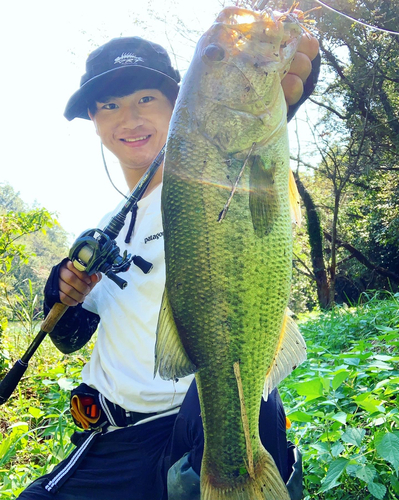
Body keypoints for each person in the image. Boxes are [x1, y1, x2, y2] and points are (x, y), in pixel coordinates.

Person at [18, 27, 320, 500]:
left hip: (197, 423)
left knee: (236, 419)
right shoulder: (106, 229)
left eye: (145, 98)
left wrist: (271, 82)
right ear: (94, 121)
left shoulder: (215, 179)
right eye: (110, 106)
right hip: (113, 439)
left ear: (182, 103)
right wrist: (61, 294)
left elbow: (248, 152)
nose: (129, 118)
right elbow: (69, 339)